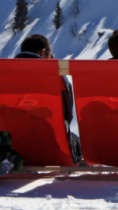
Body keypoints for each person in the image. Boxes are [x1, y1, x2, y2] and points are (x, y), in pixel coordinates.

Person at [14, 34, 81, 163]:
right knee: (77, 143)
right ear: (43, 53)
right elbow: (67, 116)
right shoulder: (56, 78)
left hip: (14, 146)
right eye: (51, 56)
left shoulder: (4, 75)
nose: (52, 58)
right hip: (53, 146)